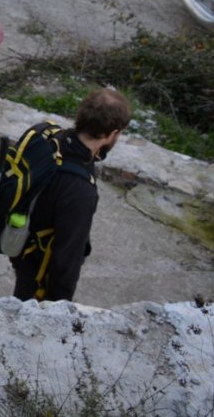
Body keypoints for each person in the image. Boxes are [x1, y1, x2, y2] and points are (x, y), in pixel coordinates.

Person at [12, 88, 130, 302]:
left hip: (18, 239)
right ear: (112, 133)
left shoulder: (44, 134)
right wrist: (61, 305)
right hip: (38, 266)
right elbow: (67, 258)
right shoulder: (80, 191)